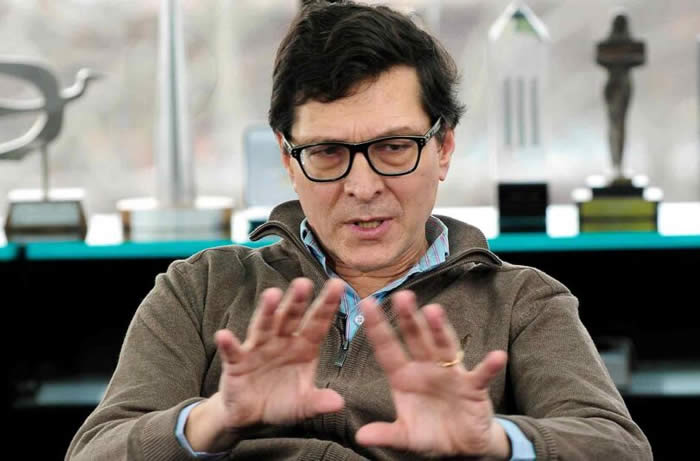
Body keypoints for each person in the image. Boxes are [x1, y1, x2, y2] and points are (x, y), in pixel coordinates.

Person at [67, 2, 652, 460]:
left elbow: (619, 447)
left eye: (394, 147)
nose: (363, 186)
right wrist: (215, 419)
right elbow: (95, 451)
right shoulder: (198, 289)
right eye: (327, 152)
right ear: (288, 158)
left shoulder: (523, 302)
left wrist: (493, 440)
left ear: (443, 149)